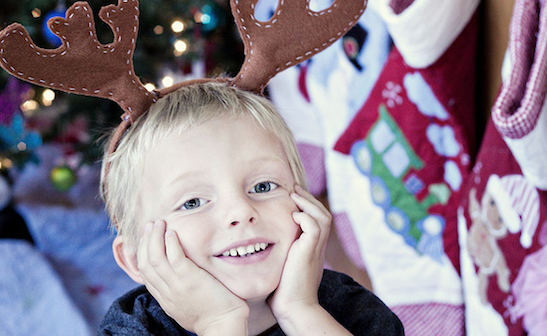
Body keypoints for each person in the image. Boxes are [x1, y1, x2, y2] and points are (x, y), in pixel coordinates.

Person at [97, 82, 404, 336]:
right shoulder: (133, 329)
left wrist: (301, 311)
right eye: (191, 203)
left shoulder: (350, 309)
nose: (239, 212)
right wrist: (219, 324)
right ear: (137, 258)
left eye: (262, 187)